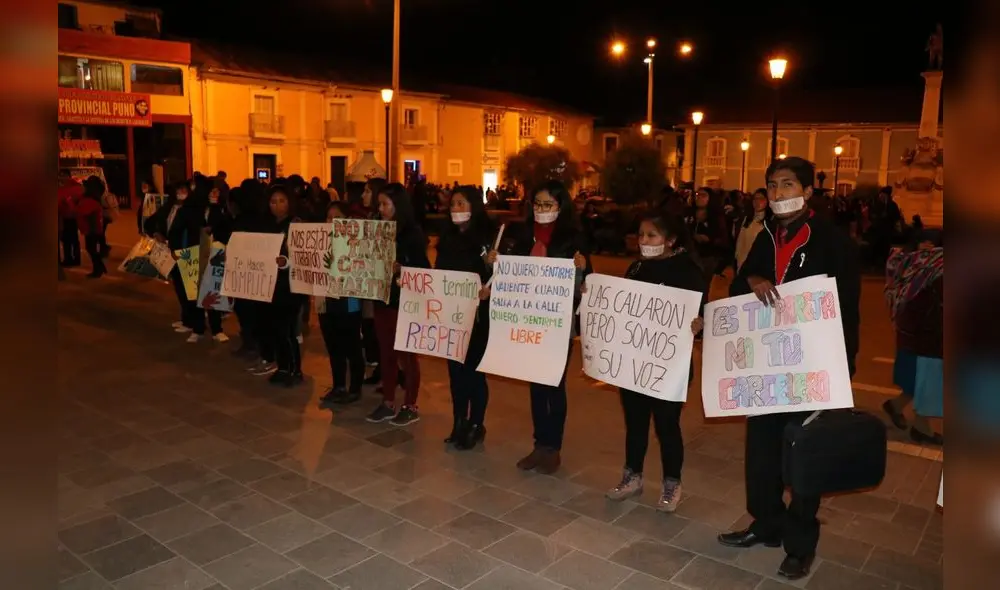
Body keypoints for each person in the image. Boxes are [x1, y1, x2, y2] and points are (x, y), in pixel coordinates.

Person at [717, 156, 861, 580]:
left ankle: (800, 546)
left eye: (787, 184)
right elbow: (739, 282)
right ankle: (766, 525)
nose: (779, 193)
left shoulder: (833, 242)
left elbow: (847, 309)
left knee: (802, 460)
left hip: (811, 368)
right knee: (760, 456)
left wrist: (842, 368)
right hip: (766, 368)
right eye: (773, 186)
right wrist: (753, 281)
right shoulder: (765, 236)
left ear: (808, 190)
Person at [486, 179, 591, 474]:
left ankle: (553, 447)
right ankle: (538, 444)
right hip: (528, 319)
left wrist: (581, 269)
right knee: (535, 384)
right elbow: (507, 275)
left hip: (558, 322)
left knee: (554, 384)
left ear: (561, 207)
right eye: (538, 204)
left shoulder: (573, 238)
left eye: (549, 204)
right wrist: (493, 262)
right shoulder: (520, 235)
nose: (542, 210)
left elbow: (585, 284)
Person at [605, 211, 707, 512]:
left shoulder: (688, 271)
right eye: (641, 235)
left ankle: (672, 482)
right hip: (635, 362)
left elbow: (702, 311)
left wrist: (700, 323)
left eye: (651, 235)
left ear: (671, 239)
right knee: (635, 422)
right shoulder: (636, 267)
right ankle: (632, 476)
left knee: (666, 425)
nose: (644, 241)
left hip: (668, 365)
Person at [366, 183, 431, 426]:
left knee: (407, 354)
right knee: (386, 352)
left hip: (403, 302)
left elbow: (424, 270)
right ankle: (388, 401)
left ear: (398, 205)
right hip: (382, 298)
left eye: (385, 204)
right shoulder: (376, 229)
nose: (380, 209)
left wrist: (402, 269)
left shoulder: (412, 234)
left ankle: (410, 404)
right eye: (379, 204)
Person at [436, 185, 495, 449]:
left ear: (473, 206)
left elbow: (498, 277)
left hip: (478, 317)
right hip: (451, 315)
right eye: (453, 205)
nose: (456, 210)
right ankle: (459, 420)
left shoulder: (486, 239)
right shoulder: (446, 238)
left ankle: (476, 423)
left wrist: (490, 277)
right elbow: (438, 275)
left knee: (473, 372)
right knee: (455, 372)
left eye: (461, 204)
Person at [882, 231, 944, 444]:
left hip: (914, 335)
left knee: (918, 382)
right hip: (926, 337)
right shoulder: (934, 268)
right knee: (926, 382)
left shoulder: (910, 265)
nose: (929, 247)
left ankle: (898, 408)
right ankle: (920, 427)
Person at [145, 180, 209, 341]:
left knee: (192, 292)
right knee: (180, 289)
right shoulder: (170, 207)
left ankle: (198, 328)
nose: (180, 193)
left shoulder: (193, 209)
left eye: (184, 190)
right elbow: (153, 222)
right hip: (172, 252)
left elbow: (197, 229)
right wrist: (157, 233)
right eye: (178, 190)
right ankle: (187, 321)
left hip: (189, 253)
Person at [319, 201, 366, 405]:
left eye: (337, 218)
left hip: (349, 301)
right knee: (333, 345)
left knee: (352, 344)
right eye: (328, 218)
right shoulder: (319, 243)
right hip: (325, 300)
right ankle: (338, 385)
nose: (332, 222)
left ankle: (355, 387)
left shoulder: (355, 243)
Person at [265, 185, 306, 386]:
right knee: (276, 327)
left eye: (281, 201)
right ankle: (282, 366)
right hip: (272, 284)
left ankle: (294, 369)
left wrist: (285, 261)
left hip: (291, 285)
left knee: (289, 329)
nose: (277, 206)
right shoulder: (269, 225)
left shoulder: (295, 224)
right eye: (273, 201)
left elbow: (301, 254)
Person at [77, 176, 107, 278]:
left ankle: (98, 268)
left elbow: (83, 212)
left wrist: (71, 204)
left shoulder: (90, 200)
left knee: (91, 249)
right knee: (91, 249)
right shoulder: (94, 198)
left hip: (92, 228)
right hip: (93, 228)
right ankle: (99, 267)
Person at [734, 189, 769, 272]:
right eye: (755, 199)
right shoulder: (747, 219)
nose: (757, 202)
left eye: (761, 199)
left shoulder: (769, 222)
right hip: (741, 263)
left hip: (757, 266)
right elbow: (740, 242)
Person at [58, 171, 83, 267]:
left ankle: (71, 259)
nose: (61, 178)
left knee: (70, 239)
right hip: (65, 216)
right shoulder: (63, 187)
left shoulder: (74, 188)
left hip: (71, 216)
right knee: (68, 239)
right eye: (60, 176)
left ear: (69, 176)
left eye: (63, 175)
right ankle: (72, 258)